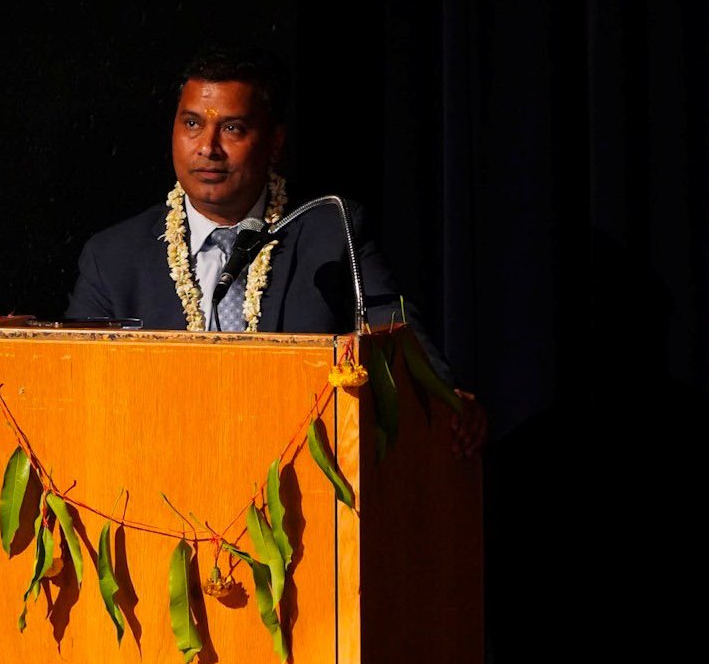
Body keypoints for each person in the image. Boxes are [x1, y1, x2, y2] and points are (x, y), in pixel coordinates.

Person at [66, 45, 486, 458]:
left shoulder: (329, 232)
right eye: (192, 123)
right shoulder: (113, 256)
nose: (207, 147)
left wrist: (446, 397)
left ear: (274, 142)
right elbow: (75, 387)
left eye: (232, 128)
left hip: (297, 481)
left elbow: (396, 334)